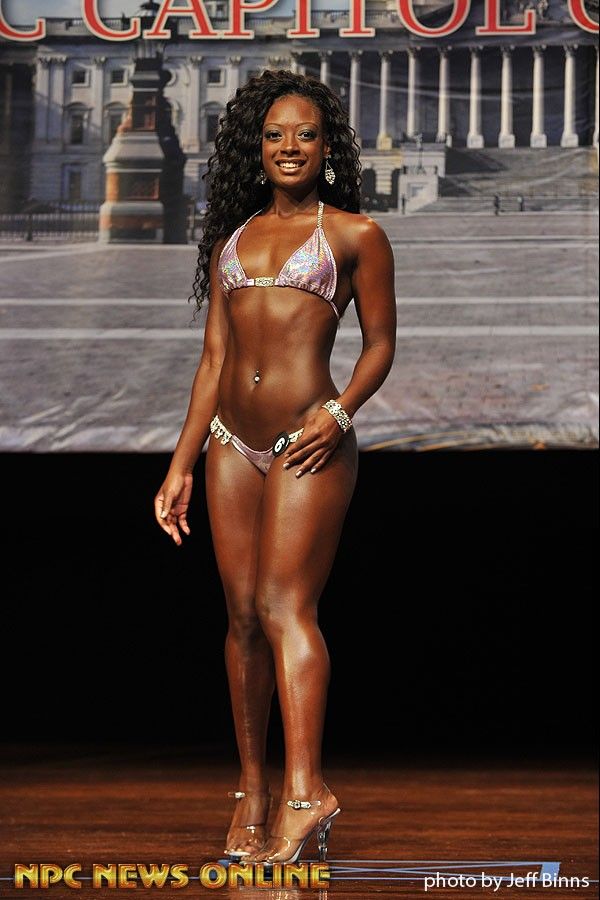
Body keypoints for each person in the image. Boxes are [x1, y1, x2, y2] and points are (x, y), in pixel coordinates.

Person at [153, 69, 396, 867]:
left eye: (306, 134)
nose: (290, 146)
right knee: (242, 619)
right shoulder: (232, 237)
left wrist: (339, 412)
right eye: (275, 135)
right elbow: (213, 360)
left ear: (328, 148)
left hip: (307, 440)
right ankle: (252, 793)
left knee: (286, 606)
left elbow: (382, 345)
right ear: (255, 148)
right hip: (230, 442)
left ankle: (305, 791)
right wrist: (181, 464)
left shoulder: (356, 234)